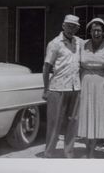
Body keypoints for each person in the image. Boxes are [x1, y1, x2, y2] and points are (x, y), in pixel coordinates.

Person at [42, 14, 82, 158]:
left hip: (75, 88)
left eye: (74, 26)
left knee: (73, 122)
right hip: (57, 88)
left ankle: (68, 153)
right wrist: (45, 89)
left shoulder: (80, 43)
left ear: (77, 28)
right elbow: (46, 67)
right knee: (54, 124)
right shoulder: (55, 43)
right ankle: (49, 154)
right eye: (69, 25)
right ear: (63, 26)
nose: (71, 29)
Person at [78, 18, 104, 158]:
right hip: (85, 82)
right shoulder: (82, 44)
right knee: (86, 114)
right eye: (93, 30)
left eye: (99, 30)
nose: (96, 33)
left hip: (101, 83)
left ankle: (92, 150)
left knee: (97, 115)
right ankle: (88, 149)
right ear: (90, 32)